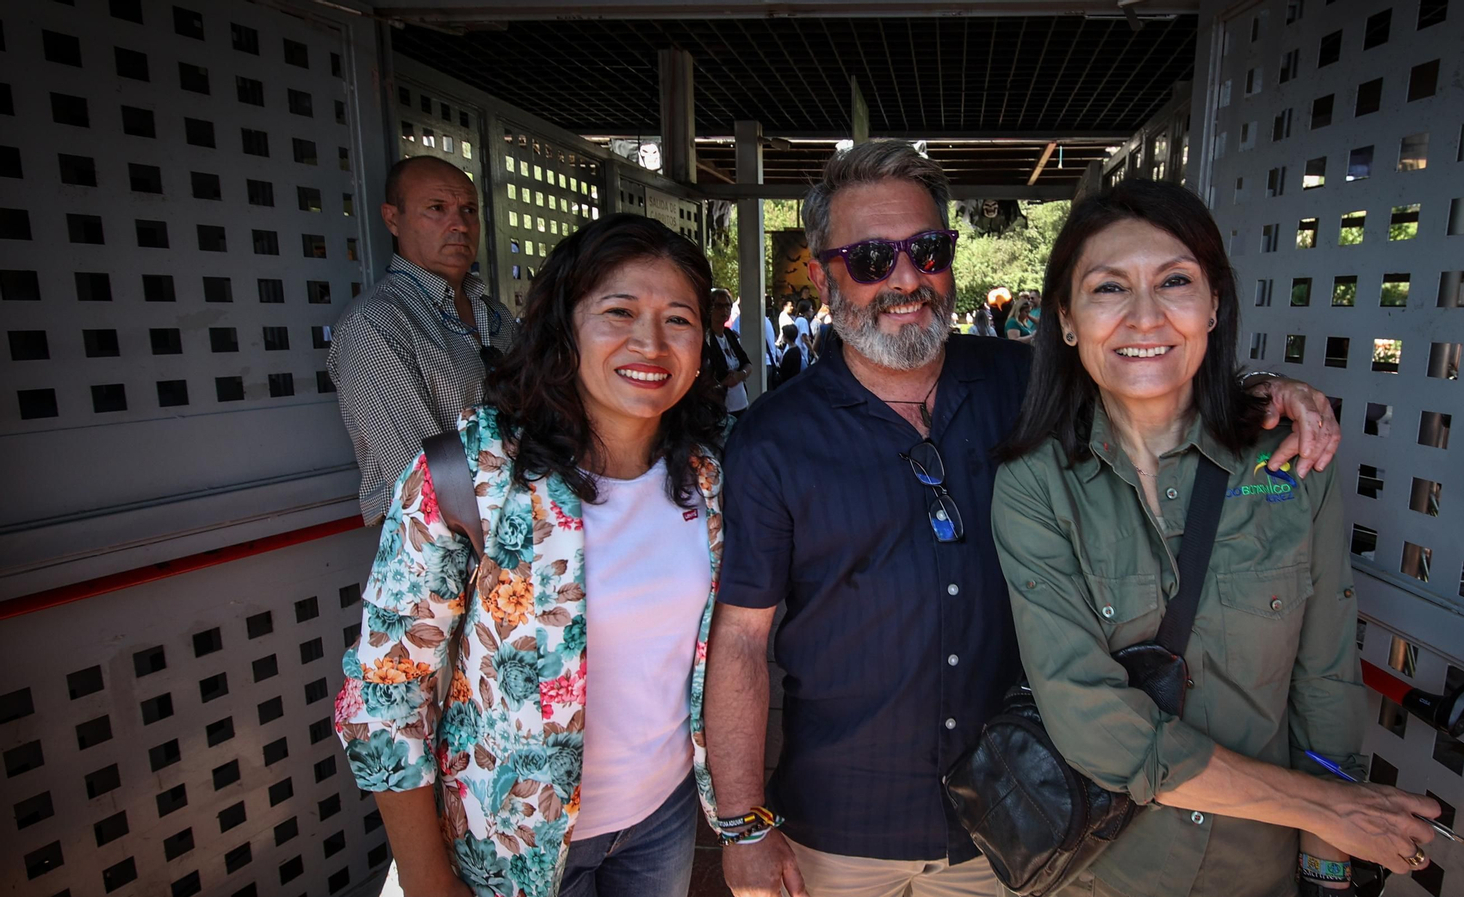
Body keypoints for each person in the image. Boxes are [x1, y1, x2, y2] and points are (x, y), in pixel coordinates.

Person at [704, 140, 1342, 897]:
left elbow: (1148, 362)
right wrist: (743, 821)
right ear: (821, 275)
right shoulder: (773, 438)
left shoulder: (1025, 384)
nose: (905, 278)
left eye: (928, 249)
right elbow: (742, 641)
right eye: (871, 257)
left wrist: (1264, 391)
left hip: (1014, 822)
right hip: (840, 826)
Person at [992, 179, 1438, 897]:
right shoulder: (1035, 485)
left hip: (1255, 874)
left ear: (1214, 305)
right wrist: (1328, 805)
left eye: (1175, 281)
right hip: (1106, 876)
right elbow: (1090, 718)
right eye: (1109, 288)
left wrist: (1327, 862)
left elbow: (1324, 680)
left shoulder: (1292, 461)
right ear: (1067, 319)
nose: (1146, 316)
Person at [335, 214, 728, 897]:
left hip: (662, 818)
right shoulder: (474, 474)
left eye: (679, 319)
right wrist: (428, 879)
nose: (651, 343)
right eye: (619, 311)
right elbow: (386, 692)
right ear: (564, 328)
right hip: (507, 841)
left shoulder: (705, 480)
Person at [328, 156, 519, 524]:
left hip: (514, 522)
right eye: (436, 209)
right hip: (440, 539)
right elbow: (424, 471)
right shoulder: (375, 322)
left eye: (469, 210)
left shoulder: (495, 314)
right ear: (392, 219)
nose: (459, 225)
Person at [708, 288, 754, 418]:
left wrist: (741, 374)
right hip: (719, 409)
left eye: (728, 305)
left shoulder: (729, 334)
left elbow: (748, 364)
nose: (725, 310)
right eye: (719, 306)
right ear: (710, 308)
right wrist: (722, 383)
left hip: (741, 404)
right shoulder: (705, 339)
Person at [773, 323, 804, 388]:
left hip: (787, 384)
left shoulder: (789, 353)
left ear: (786, 336)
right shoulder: (797, 350)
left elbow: (784, 373)